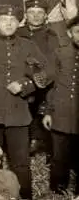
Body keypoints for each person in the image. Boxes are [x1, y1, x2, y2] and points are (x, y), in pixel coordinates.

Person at [0, 4, 50, 199]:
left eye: (12, 21)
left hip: (19, 113)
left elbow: (47, 72)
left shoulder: (28, 45)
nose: (8, 24)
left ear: (18, 23)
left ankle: (24, 196)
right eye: (4, 20)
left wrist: (26, 85)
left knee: (20, 162)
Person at [43, 15, 79, 195]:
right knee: (59, 156)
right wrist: (48, 112)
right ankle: (57, 190)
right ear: (70, 33)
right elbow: (52, 85)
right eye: (77, 31)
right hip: (61, 114)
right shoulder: (60, 53)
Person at [17, 0, 58, 155]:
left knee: (38, 102)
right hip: (18, 77)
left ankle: (35, 139)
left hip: (40, 80)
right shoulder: (18, 32)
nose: (35, 16)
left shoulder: (50, 35)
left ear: (46, 15)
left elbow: (52, 63)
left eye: (40, 12)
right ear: (26, 15)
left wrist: (39, 77)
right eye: (31, 13)